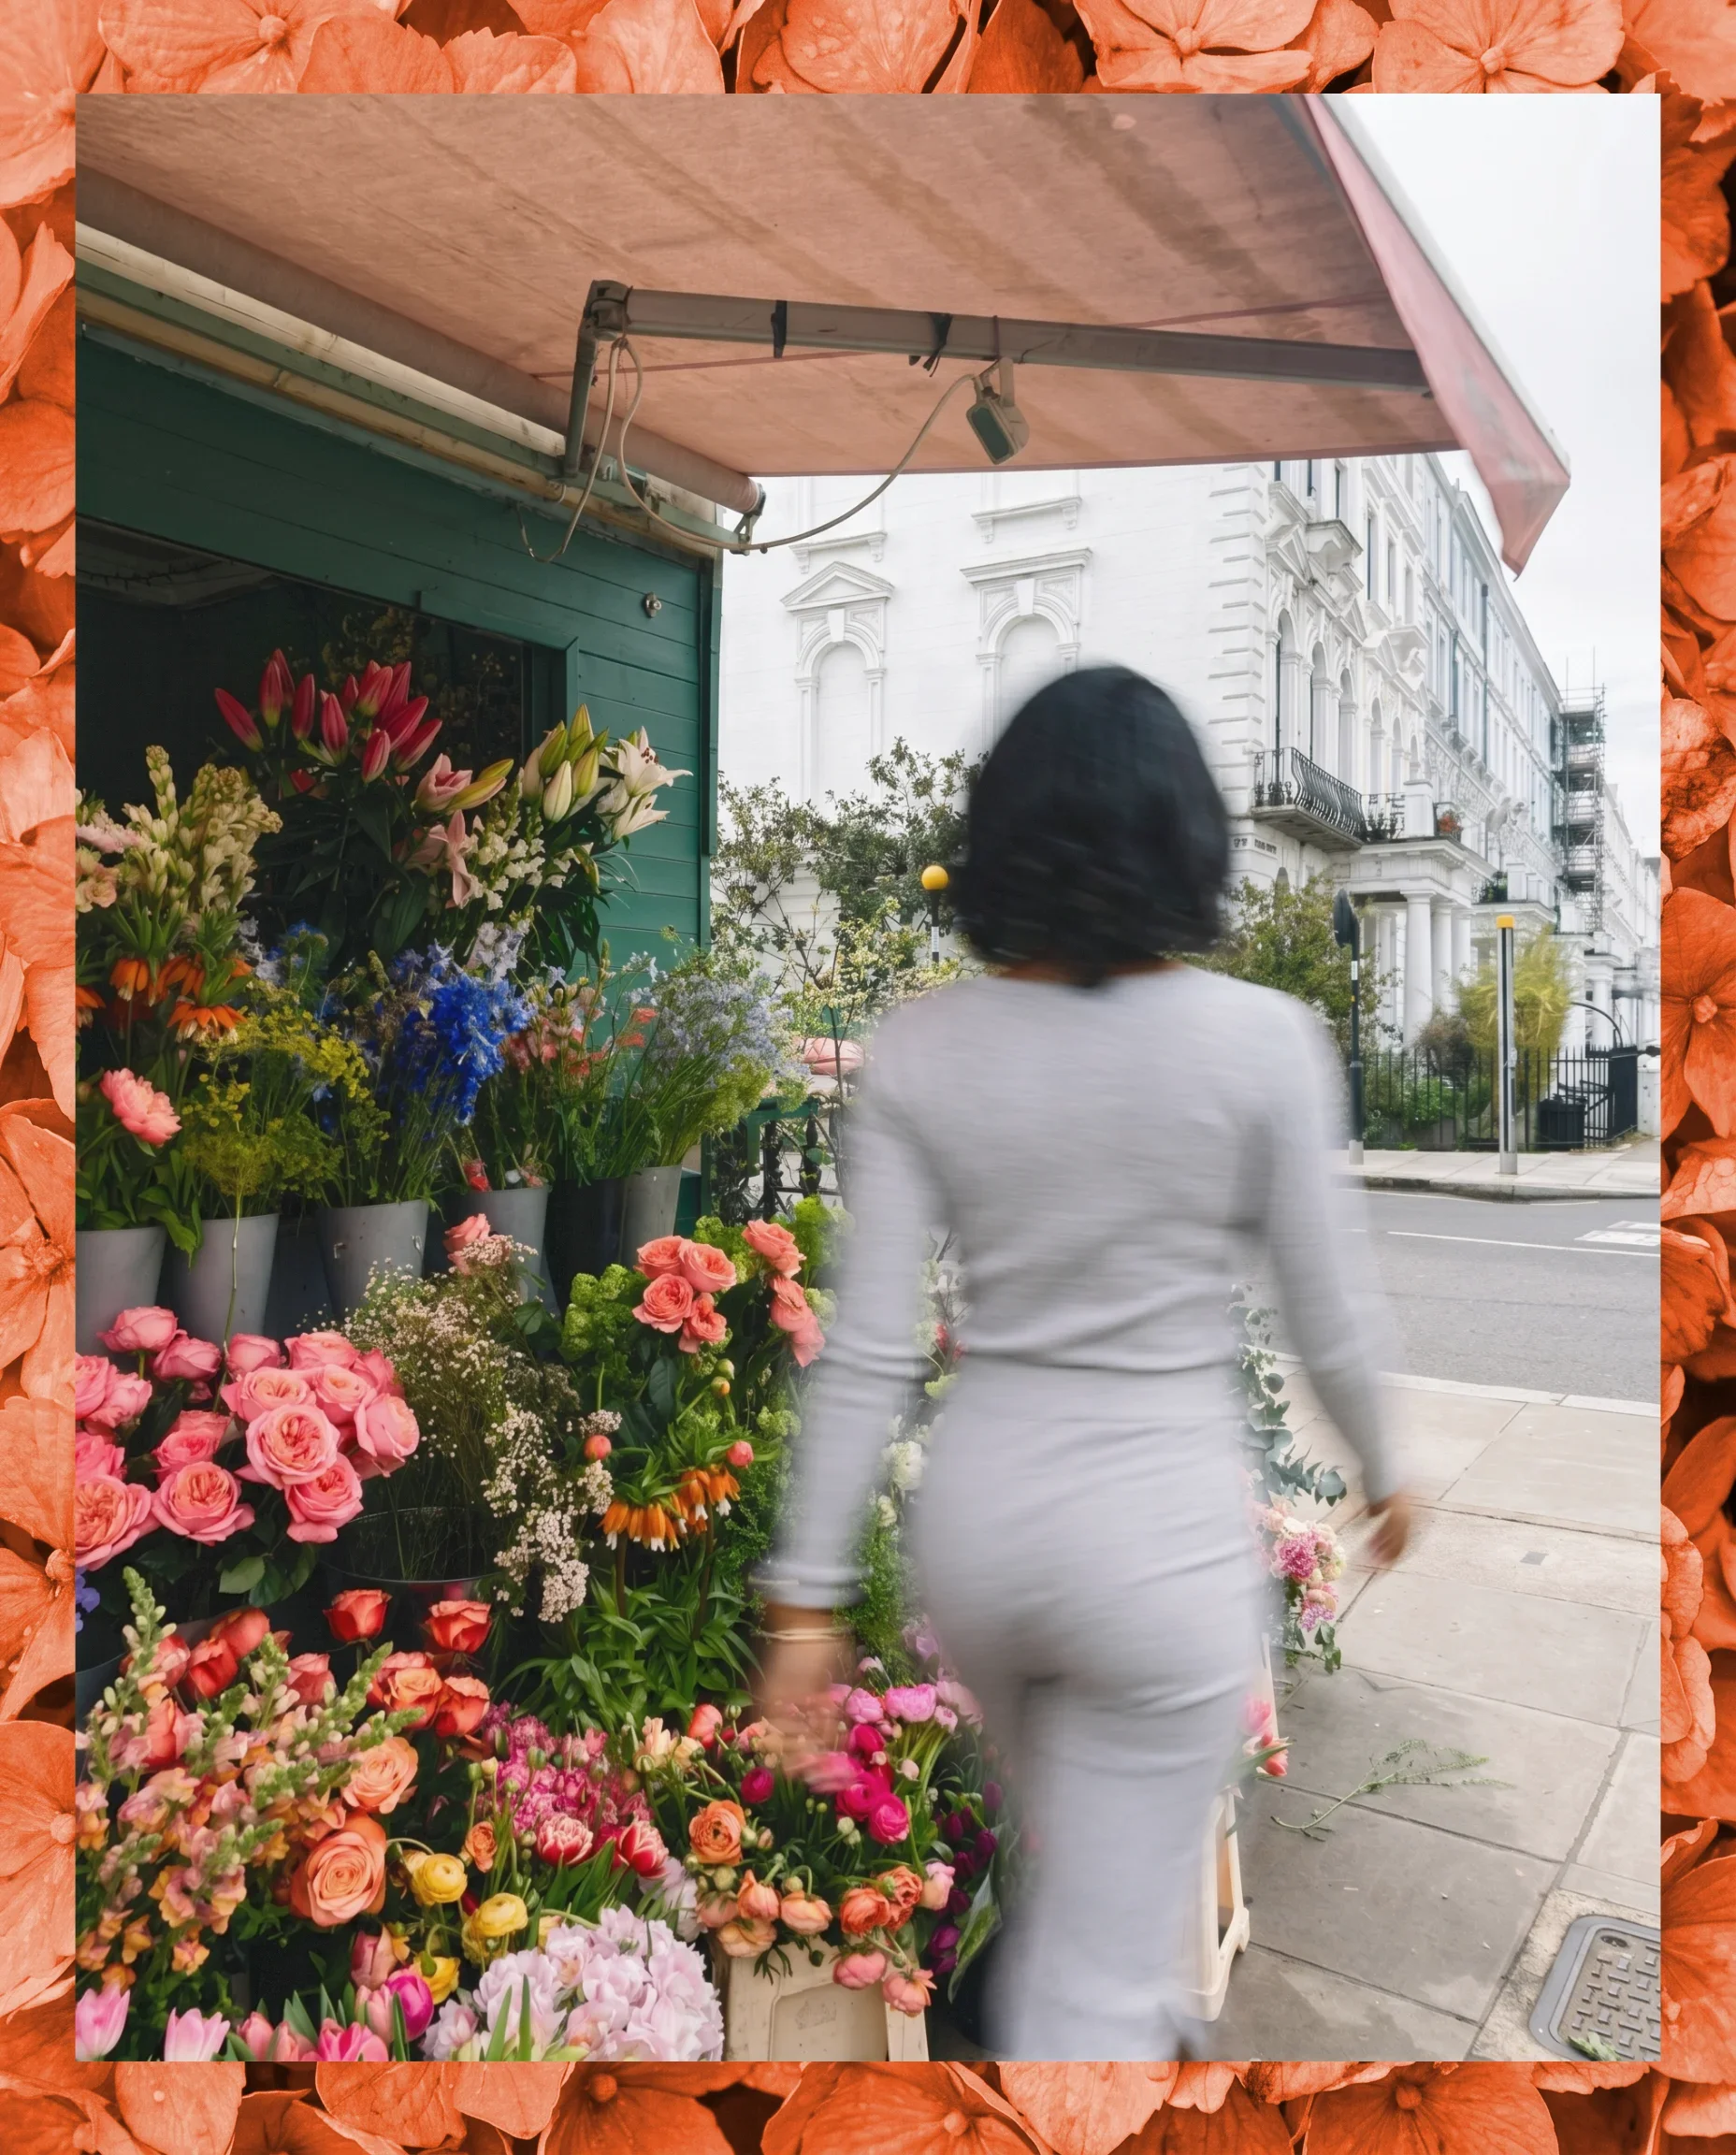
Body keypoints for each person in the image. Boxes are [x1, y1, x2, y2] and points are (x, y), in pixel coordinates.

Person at [752, 664, 1411, 2061]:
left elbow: (866, 1351)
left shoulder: (925, 1049)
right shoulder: (1266, 1047)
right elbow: (1332, 1312)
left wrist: (806, 1598)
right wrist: (1389, 1467)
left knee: (1082, 1913)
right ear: (1189, 838)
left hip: (987, 1537)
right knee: (1097, 1992)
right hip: (1158, 1546)